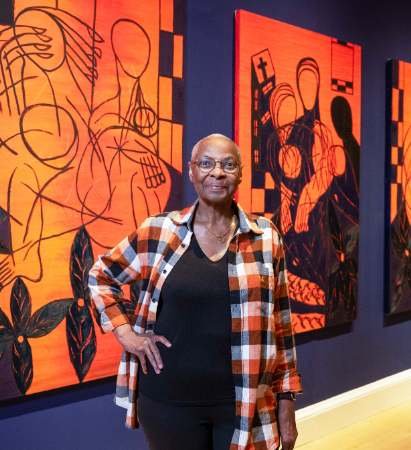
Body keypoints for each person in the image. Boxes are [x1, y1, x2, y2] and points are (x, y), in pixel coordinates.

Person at [89, 134, 302, 450]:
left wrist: (286, 400)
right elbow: (100, 277)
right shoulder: (158, 231)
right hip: (169, 401)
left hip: (244, 401)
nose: (217, 173)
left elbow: (280, 325)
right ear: (192, 171)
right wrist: (126, 334)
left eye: (228, 164)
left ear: (240, 173)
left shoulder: (265, 237)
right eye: (206, 163)